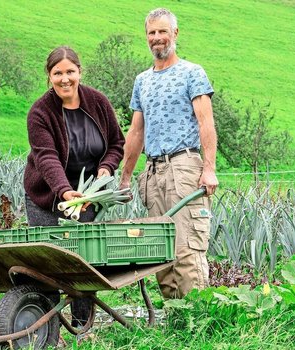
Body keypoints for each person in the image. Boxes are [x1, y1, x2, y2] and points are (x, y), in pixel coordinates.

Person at [119, 8, 219, 299]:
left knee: (186, 246)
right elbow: (136, 132)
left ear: (175, 33)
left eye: (163, 31)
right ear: (146, 37)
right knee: (160, 248)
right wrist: (126, 178)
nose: (157, 38)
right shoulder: (142, 81)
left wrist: (209, 168)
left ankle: (197, 321)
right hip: (153, 172)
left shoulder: (192, 73)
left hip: (183, 165)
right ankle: (174, 320)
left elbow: (205, 122)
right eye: (152, 33)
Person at [23, 46, 125, 325]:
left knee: (82, 262)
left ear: (80, 72)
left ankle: (83, 326)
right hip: (47, 196)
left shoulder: (98, 103)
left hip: (87, 196)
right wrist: (65, 191)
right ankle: (48, 327)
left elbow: (117, 143)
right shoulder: (40, 113)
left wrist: (106, 168)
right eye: (58, 73)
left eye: (70, 72)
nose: (64, 79)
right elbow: (46, 157)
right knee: (49, 261)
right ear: (49, 76)